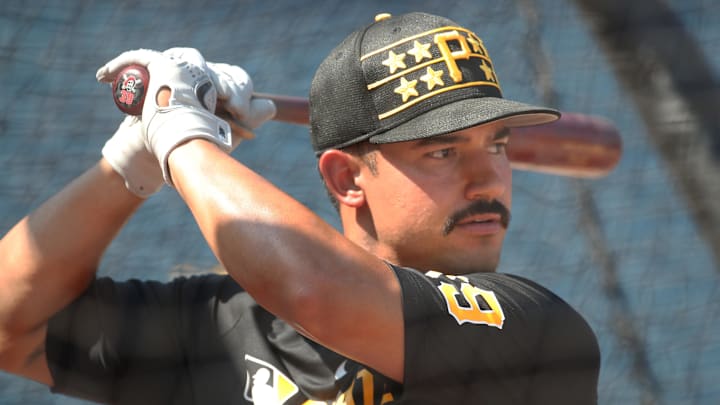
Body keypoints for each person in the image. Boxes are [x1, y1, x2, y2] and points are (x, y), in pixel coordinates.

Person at [0, 11, 600, 405]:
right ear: (347, 178)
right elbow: (12, 326)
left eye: (497, 145)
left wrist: (181, 137)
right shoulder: (224, 327)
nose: (485, 179)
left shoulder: (537, 331)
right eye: (443, 151)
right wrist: (131, 160)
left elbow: (316, 291)